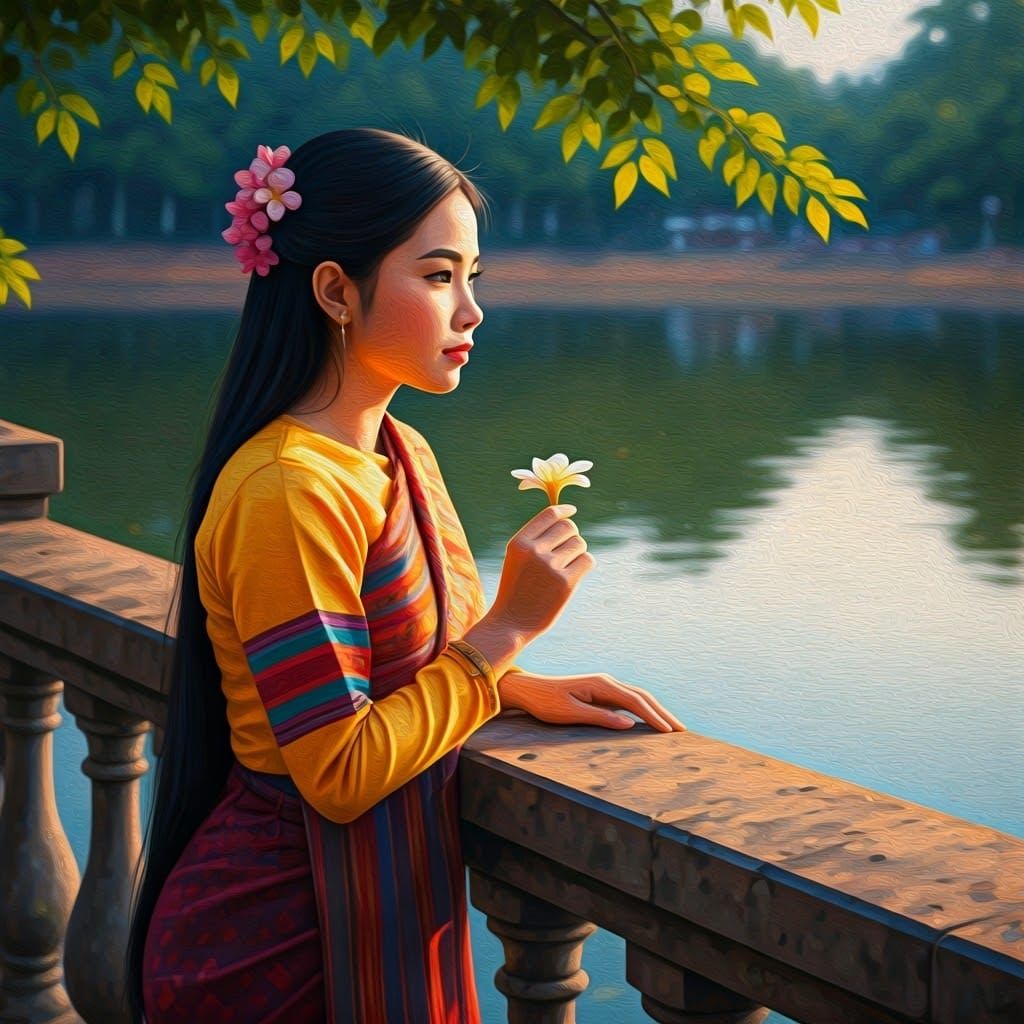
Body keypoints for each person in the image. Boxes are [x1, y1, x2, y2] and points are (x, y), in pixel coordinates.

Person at [126, 127, 685, 1024]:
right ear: (336, 291)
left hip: (363, 909)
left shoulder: (397, 449)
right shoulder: (287, 490)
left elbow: (397, 666)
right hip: (275, 941)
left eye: (473, 276)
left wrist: (512, 686)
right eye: (437, 276)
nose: (471, 312)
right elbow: (337, 769)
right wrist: (507, 631)